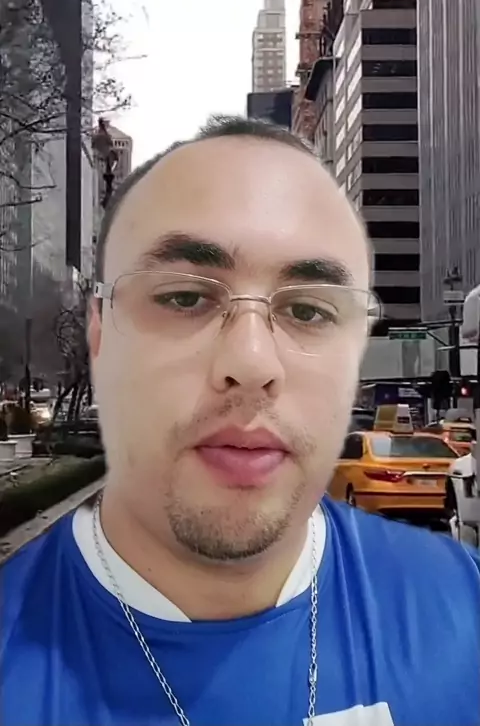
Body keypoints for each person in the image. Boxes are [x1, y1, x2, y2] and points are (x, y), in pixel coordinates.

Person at [1, 116, 479, 726]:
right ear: (99, 332)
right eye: (185, 298)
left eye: (309, 310)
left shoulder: (463, 610)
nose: (252, 363)